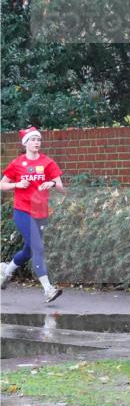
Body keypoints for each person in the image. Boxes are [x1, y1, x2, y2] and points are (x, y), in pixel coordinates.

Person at [0, 126, 65, 303]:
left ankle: (6, 271)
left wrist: (51, 183)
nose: (37, 142)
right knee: (38, 247)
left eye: (39, 140)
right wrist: (17, 185)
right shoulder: (17, 163)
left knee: (29, 250)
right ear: (25, 143)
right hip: (22, 211)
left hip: (41, 213)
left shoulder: (48, 163)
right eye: (33, 140)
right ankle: (48, 289)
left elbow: (60, 185)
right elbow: (2, 184)